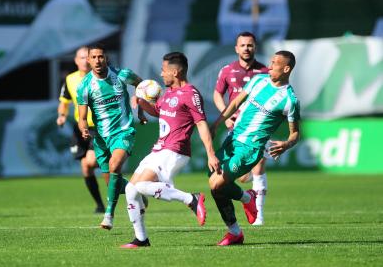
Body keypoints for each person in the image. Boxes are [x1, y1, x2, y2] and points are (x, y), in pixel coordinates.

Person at [120, 52, 220, 248]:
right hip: (159, 149)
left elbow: (201, 124)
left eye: (164, 70)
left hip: (175, 151)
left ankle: (191, 199)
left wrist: (211, 153)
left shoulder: (190, 94)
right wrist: (141, 103)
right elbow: (158, 111)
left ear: (175, 71)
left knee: (141, 186)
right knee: (131, 189)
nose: (161, 73)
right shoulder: (169, 94)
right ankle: (141, 239)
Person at [209, 50, 300, 246]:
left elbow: (295, 133)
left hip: (249, 149)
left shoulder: (289, 100)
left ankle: (244, 204)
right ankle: (237, 224)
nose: (270, 65)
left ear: (286, 69)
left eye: (275, 63)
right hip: (232, 139)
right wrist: (217, 123)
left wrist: (286, 144)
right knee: (215, 185)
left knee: (216, 184)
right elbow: (234, 102)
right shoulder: (259, 80)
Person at [76, 43, 147, 230]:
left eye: (101, 56)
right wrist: (83, 128)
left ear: (106, 58)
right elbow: (82, 118)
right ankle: (137, 191)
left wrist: (139, 104)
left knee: (116, 166)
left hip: (123, 131)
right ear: (89, 60)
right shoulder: (84, 86)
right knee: (111, 182)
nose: (98, 60)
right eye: (94, 57)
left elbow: (142, 84)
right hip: (100, 138)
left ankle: (109, 215)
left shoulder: (122, 74)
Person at [213, 31, 270, 226]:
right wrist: (226, 117)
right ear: (236, 48)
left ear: (255, 47)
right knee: (227, 172)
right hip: (235, 127)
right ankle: (246, 189)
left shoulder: (265, 72)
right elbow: (217, 95)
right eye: (243, 45)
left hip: (257, 127)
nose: (247, 48)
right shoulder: (227, 70)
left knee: (259, 165)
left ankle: (259, 216)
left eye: (250, 45)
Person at [56, 46, 105, 214]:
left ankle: (116, 174)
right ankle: (99, 204)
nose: (85, 60)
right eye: (82, 57)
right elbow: (64, 101)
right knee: (86, 167)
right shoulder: (70, 79)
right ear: (76, 60)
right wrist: (62, 115)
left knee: (91, 161)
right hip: (81, 128)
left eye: (88, 57)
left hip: (99, 127)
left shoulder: (100, 77)